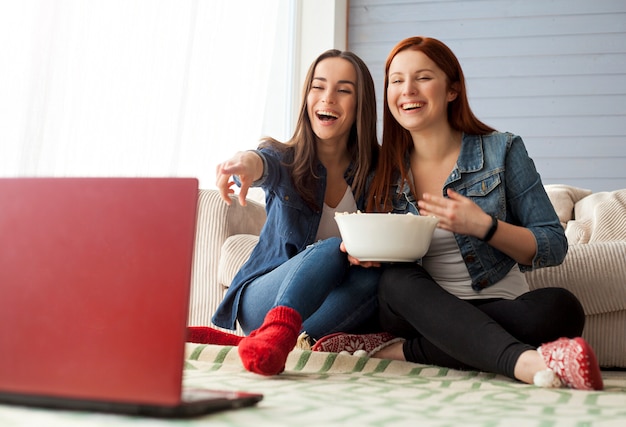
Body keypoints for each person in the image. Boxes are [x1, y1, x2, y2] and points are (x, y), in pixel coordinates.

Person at [311, 36, 603, 391]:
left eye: (423, 77)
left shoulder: (503, 150)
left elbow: (553, 244)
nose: (407, 90)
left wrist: (485, 226)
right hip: (415, 308)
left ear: (452, 89)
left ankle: (404, 353)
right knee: (395, 280)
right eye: (397, 80)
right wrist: (363, 253)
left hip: (499, 303)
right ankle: (523, 362)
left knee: (562, 308)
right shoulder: (380, 169)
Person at [189, 49, 381, 376]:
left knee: (379, 280)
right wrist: (243, 166)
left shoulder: (378, 171)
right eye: (318, 87)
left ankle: (273, 342)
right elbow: (259, 162)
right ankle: (275, 331)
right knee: (332, 248)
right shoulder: (285, 157)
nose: (328, 98)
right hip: (264, 296)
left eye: (343, 90)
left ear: (361, 104)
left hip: (322, 304)